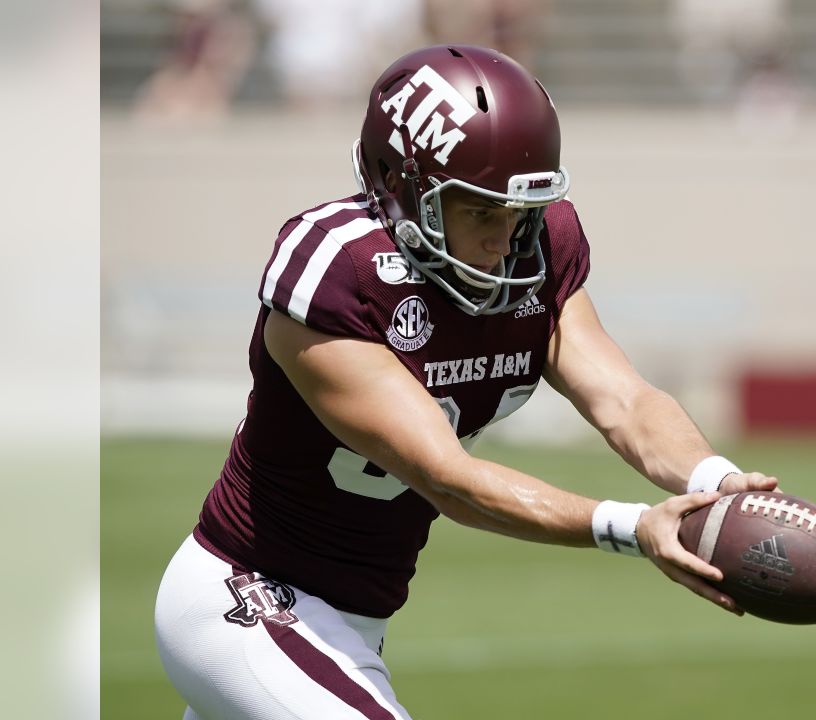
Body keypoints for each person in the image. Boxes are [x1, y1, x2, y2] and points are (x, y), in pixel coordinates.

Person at [153, 45, 778, 719]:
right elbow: (445, 476)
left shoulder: (537, 249)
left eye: (519, 213)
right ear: (402, 189)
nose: (504, 240)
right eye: (480, 212)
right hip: (249, 595)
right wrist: (633, 527)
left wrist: (715, 479)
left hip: (355, 623)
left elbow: (623, 399)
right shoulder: (337, 268)